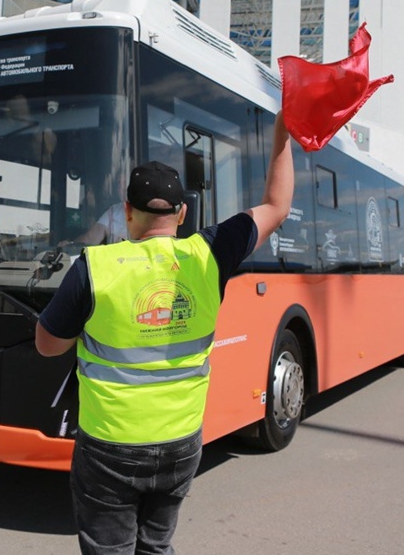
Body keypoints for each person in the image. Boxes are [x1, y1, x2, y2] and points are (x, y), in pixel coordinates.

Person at [35, 113, 294, 555]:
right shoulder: (210, 253)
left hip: (110, 446)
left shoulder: (94, 267)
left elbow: (47, 345)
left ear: (127, 212)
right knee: (156, 547)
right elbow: (277, 206)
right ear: (182, 213)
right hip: (181, 443)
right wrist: (283, 130)